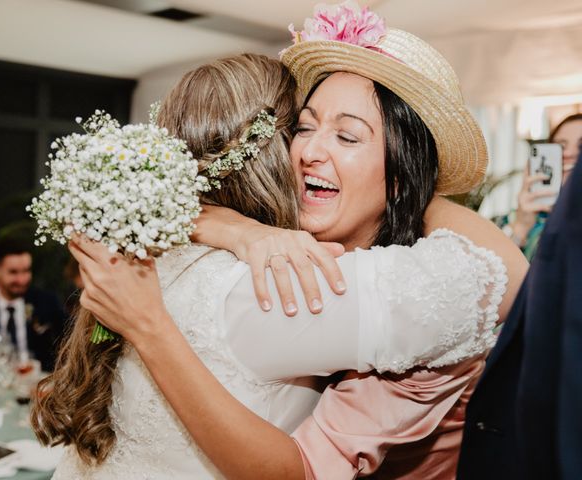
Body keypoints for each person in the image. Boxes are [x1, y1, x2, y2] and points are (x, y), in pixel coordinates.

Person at [64, 3, 527, 479]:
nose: (308, 151)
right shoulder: (277, 257)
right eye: (303, 127)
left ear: (399, 175)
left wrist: (416, 187)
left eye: (347, 136)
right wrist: (230, 225)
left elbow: (506, 278)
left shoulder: (410, 293)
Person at [458, 150, 582, 479]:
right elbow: (478, 294)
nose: (568, 166)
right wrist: (521, 226)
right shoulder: (502, 225)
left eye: (577, 156)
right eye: (561, 155)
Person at [0, 236, 67, 371]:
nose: (22, 279)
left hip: (36, 381)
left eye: (26, 271)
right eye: (13, 272)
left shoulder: (46, 301)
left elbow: (67, 343)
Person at [499, 113, 582, 260]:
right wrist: (521, 227)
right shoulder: (516, 219)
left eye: (581, 147)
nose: (568, 153)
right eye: (560, 146)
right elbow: (497, 275)